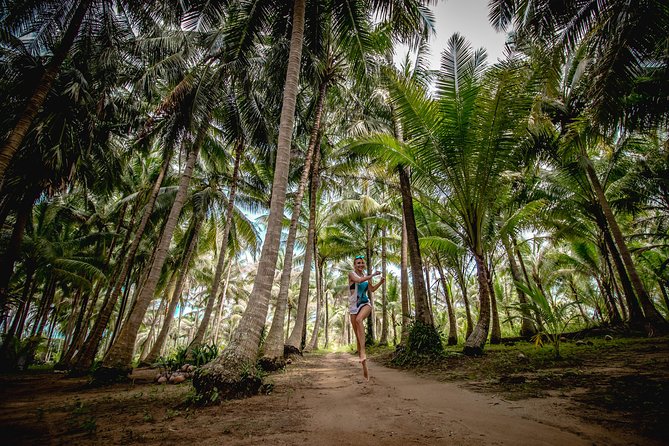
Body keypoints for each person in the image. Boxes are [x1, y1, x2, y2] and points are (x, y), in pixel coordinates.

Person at [348, 255, 384, 380]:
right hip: (353, 307)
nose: (360, 265)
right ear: (354, 265)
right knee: (358, 338)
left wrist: (380, 282)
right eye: (358, 263)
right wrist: (373, 275)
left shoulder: (366, 277)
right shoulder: (351, 274)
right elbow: (358, 281)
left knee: (359, 320)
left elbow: (372, 289)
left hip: (365, 304)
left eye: (362, 263)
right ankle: (365, 371)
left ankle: (363, 353)